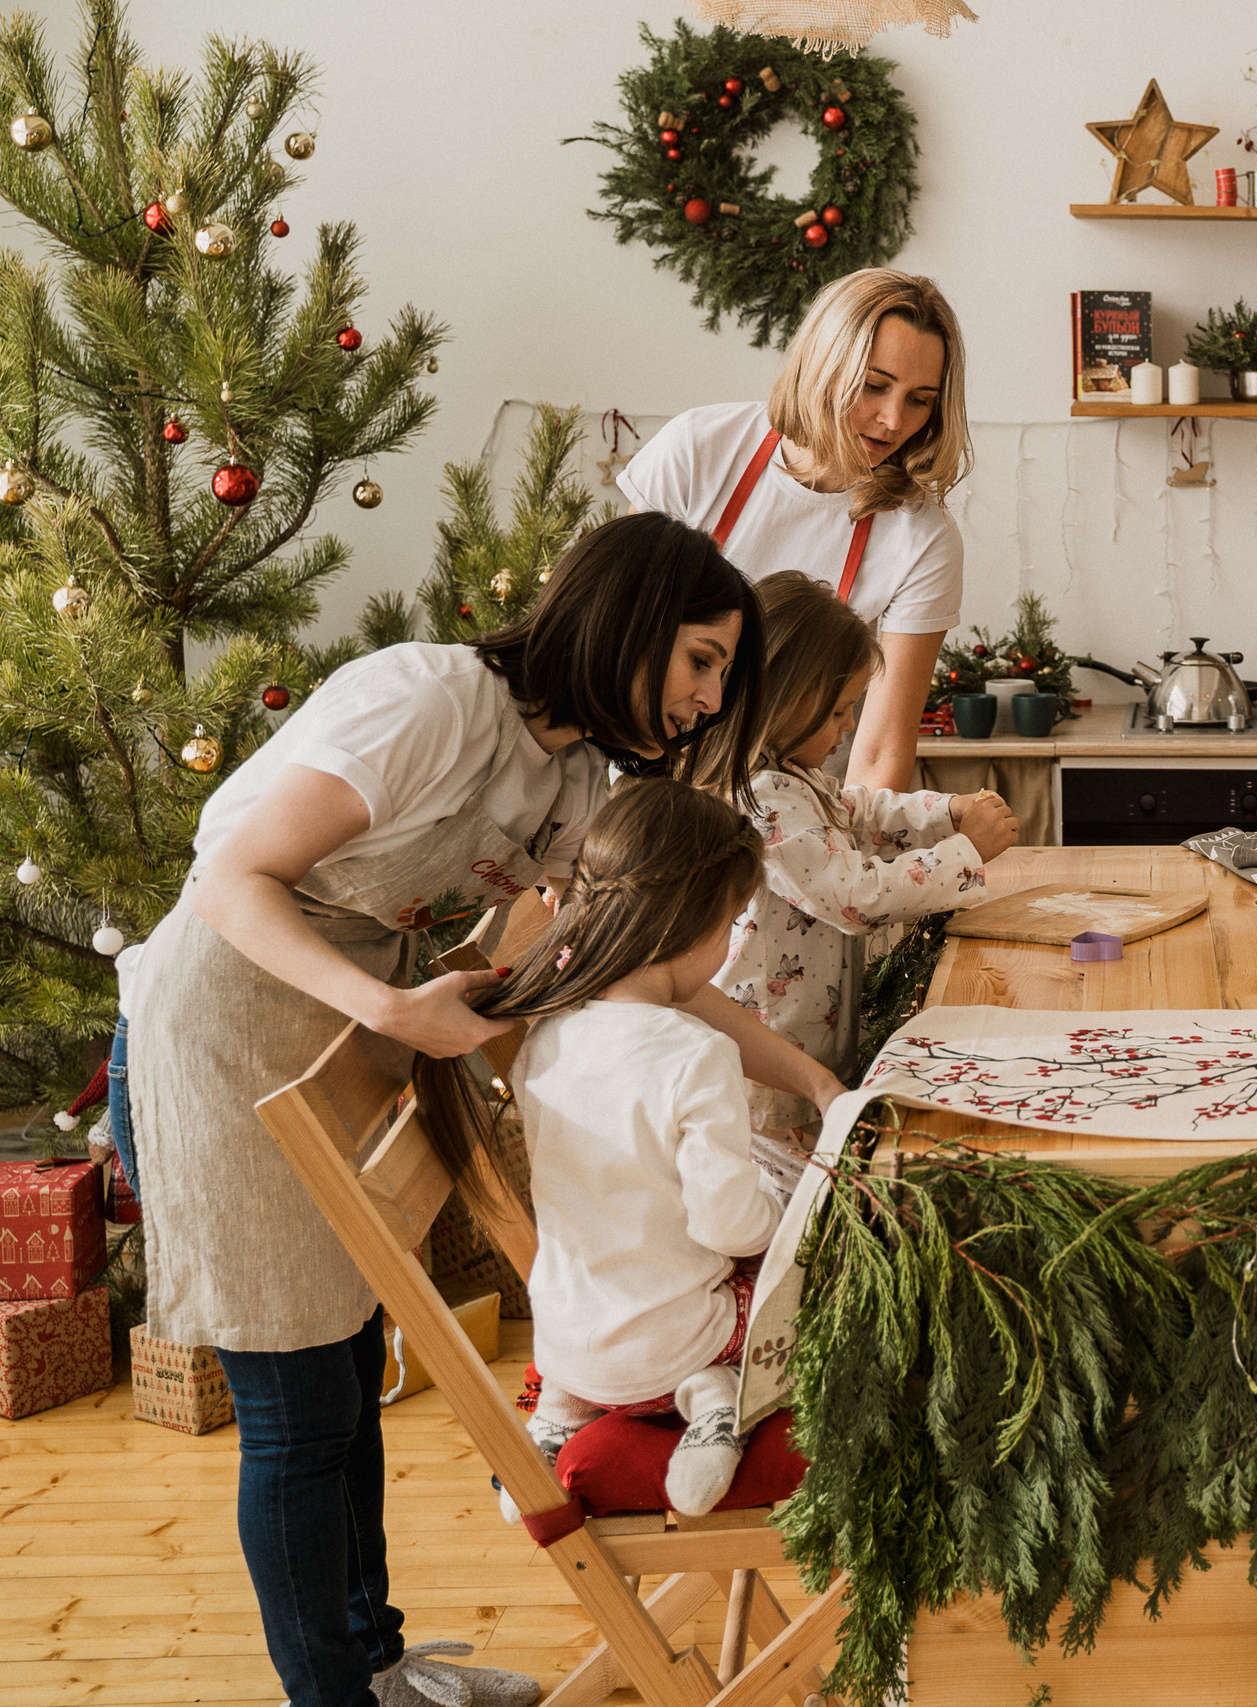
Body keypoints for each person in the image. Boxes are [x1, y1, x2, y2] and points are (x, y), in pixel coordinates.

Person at [125, 512, 812, 1707]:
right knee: (296, 1406)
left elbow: (634, 965)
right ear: (633, 621)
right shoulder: (426, 700)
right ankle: (333, 1695)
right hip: (224, 1029)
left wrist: (803, 1079)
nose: (709, 698)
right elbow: (230, 877)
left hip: (345, 1031)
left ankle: (375, 1665)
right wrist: (390, 1013)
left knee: (347, 1368)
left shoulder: (576, 774)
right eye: (702, 660)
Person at [414, 781, 783, 1518]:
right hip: (675, 1347)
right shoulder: (696, 1053)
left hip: (571, 1345)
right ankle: (717, 1402)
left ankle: (559, 1415)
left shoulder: (544, 1037)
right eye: (733, 923)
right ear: (701, 922)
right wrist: (779, 1211)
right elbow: (728, 1227)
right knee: (794, 1281)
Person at [619, 267, 972, 792]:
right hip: (649, 773)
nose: (894, 420)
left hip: (798, 814)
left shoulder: (923, 539)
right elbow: (616, 635)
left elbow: (879, 753)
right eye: (874, 386)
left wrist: (844, 862)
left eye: (920, 399)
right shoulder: (698, 449)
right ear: (823, 365)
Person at [702, 575, 1019, 1143]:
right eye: (838, 711)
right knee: (798, 1205)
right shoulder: (761, 795)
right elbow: (855, 897)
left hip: (809, 1047)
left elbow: (860, 810)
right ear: (783, 697)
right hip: (776, 1073)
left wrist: (948, 811)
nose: (848, 726)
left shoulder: (791, 776)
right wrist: (965, 850)